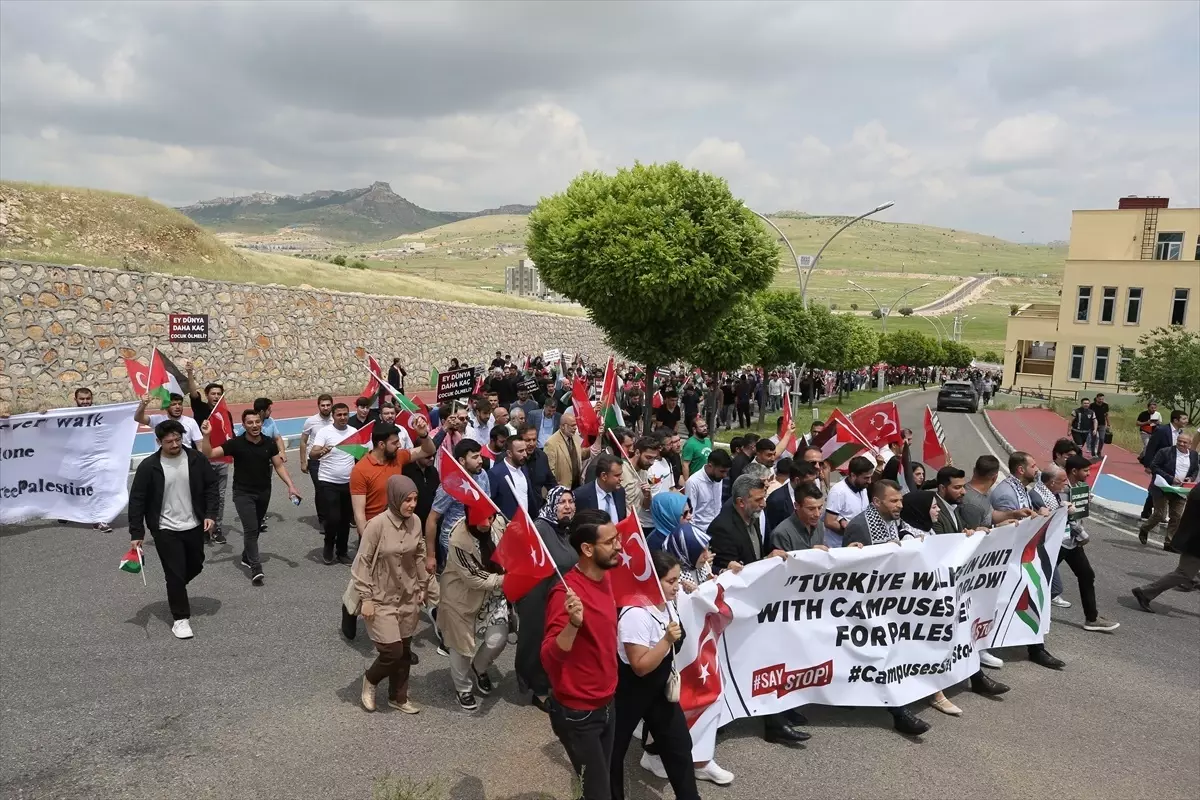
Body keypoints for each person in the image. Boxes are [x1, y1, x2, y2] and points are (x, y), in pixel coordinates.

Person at [708, 475, 809, 745]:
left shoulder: (753, 517)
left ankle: (779, 713)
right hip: (736, 612)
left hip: (757, 603)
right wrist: (765, 562)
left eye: (763, 498)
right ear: (741, 502)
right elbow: (731, 573)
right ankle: (769, 722)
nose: (764, 504)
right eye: (758, 500)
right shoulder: (723, 527)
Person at [541, 509, 622, 800]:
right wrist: (573, 624)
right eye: (610, 541)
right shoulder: (565, 595)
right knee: (598, 794)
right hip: (579, 714)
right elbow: (548, 658)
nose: (619, 546)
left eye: (618, 538)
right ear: (587, 549)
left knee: (601, 785)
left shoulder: (606, 577)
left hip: (607, 703)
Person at [611, 550, 705, 799]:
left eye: (677, 579)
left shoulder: (667, 604)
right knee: (613, 751)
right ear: (654, 581)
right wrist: (665, 641)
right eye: (671, 581)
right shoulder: (635, 614)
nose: (677, 587)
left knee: (679, 746)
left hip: (659, 691)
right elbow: (640, 666)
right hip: (631, 693)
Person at [127, 419, 219, 640]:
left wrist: (210, 514)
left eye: (178, 439)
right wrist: (136, 534)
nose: (175, 444)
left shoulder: (196, 459)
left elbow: (211, 486)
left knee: (196, 565)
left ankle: (176, 588)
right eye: (169, 441)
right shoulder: (149, 466)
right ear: (159, 442)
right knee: (175, 574)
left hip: (194, 524)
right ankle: (180, 618)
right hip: (165, 528)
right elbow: (137, 500)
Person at [353, 475, 430, 714]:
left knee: (405, 650)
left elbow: (418, 555)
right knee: (392, 651)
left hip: (407, 594)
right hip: (380, 597)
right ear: (396, 498)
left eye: (415, 499)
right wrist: (365, 598)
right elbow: (362, 562)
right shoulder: (377, 525)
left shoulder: (416, 522)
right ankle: (370, 680)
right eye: (407, 500)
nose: (412, 504)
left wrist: (424, 585)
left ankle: (398, 697)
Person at [199, 410, 301, 586]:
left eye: (257, 422)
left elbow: (279, 466)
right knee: (251, 528)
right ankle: (256, 567)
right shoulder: (236, 444)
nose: (254, 425)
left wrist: (291, 486)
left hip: (263, 492)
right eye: (250, 423)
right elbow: (209, 454)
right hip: (242, 493)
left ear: (261, 423)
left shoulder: (269, 443)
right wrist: (206, 436)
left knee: (255, 529)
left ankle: (246, 556)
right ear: (244, 425)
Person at [990, 451, 1066, 671]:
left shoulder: (1021, 488)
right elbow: (1005, 528)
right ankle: (1026, 643)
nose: (1038, 470)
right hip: (1013, 557)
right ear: (1021, 469)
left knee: (1041, 591)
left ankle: (1034, 645)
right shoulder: (1006, 493)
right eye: (1033, 465)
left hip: (1027, 554)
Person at [1030, 460, 1120, 633]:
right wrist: (1081, 533)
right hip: (1057, 543)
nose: (1088, 473)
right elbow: (1064, 518)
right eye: (1085, 470)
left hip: (1070, 542)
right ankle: (1032, 616)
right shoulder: (1052, 494)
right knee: (1044, 582)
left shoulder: (1069, 490)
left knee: (1086, 574)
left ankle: (1092, 618)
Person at [440, 507, 508, 711]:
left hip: (494, 594)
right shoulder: (458, 540)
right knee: (462, 647)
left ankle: (479, 667)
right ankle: (463, 688)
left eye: (490, 517)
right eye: (480, 518)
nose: (486, 523)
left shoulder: (498, 524)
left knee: (498, 639)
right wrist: (509, 579)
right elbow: (473, 578)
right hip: (461, 597)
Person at [516, 487, 579, 711]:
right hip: (539, 597)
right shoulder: (541, 529)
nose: (568, 506)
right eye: (561, 502)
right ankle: (539, 691)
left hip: (559, 598)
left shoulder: (564, 530)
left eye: (571, 501)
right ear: (551, 504)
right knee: (538, 641)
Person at [350, 420, 436, 534]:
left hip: (399, 528)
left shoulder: (398, 457)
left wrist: (423, 435)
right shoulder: (360, 470)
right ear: (381, 445)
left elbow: (428, 450)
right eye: (395, 443)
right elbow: (359, 514)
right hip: (375, 531)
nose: (399, 445)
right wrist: (367, 540)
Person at [426, 439, 492, 575]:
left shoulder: (483, 475)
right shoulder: (450, 484)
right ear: (462, 461)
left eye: (480, 455)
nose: (480, 460)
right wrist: (430, 556)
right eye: (474, 457)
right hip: (453, 543)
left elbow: (487, 505)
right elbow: (432, 519)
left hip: (477, 539)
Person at [186, 368, 234, 542]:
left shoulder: (225, 413)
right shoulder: (200, 409)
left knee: (220, 497)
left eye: (219, 394)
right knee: (201, 494)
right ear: (207, 395)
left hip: (221, 461)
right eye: (213, 393)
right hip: (202, 461)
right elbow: (192, 393)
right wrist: (190, 373)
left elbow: (231, 437)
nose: (216, 396)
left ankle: (216, 528)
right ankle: (202, 527)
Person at [1133, 488, 1200, 612]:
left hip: (1193, 539)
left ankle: (1193, 581)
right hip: (1195, 541)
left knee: (1186, 574)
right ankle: (1146, 592)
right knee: (1184, 573)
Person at [1140, 431, 1197, 550]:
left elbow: (1195, 470)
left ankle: (1169, 542)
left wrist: (1190, 478)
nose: (1181, 444)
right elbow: (1154, 466)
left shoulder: (1193, 455)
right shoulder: (1165, 452)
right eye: (1179, 441)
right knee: (1160, 514)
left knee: (1177, 516)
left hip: (1179, 490)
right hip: (1163, 487)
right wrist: (1170, 478)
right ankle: (1145, 528)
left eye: (1184, 442)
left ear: (1190, 444)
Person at [300, 394, 335, 530]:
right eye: (323, 405)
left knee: (331, 489)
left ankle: (334, 516)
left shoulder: (337, 419)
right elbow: (303, 442)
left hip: (331, 460)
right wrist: (303, 461)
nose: (325, 408)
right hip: (315, 460)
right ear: (319, 406)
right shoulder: (311, 421)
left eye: (328, 405)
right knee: (320, 489)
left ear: (332, 405)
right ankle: (323, 520)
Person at [824, 456, 874, 547]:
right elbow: (829, 521)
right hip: (840, 547)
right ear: (853, 475)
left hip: (860, 545)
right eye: (866, 478)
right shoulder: (838, 491)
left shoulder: (863, 488)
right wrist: (851, 533)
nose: (869, 481)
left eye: (870, 477)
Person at [489, 435, 539, 519]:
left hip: (526, 523)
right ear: (509, 453)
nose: (525, 454)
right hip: (506, 526)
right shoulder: (495, 473)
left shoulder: (524, 468)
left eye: (525, 450)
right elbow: (491, 503)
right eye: (520, 451)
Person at [683, 449, 731, 536]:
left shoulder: (718, 478)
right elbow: (690, 514)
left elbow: (717, 506)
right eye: (722, 471)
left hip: (717, 530)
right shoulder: (693, 482)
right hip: (700, 532)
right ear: (710, 466)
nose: (725, 476)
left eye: (726, 472)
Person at [770, 482, 829, 552]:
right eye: (811, 509)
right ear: (796, 506)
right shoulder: (781, 534)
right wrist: (810, 554)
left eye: (819, 508)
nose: (817, 514)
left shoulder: (819, 525)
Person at [765, 459, 818, 534]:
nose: (815, 484)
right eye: (810, 481)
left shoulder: (811, 493)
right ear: (797, 480)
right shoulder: (776, 500)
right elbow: (772, 530)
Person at [574, 453, 628, 523]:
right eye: (617, 475)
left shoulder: (620, 492)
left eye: (621, 474)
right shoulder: (581, 495)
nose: (621, 479)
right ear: (604, 476)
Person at [135, 393, 202, 448]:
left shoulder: (191, 422)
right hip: (162, 460)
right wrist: (143, 404)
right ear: (166, 407)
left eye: (180, 404)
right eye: (173, 404)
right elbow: (138, 418)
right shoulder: (157, 420)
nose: (178, 407)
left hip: (184, 460)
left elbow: (199, 444)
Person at [544, 411, 585, 489]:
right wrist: (557, 490)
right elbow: (549, 472)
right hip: (562, 490)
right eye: (572, 425)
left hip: (577, 487)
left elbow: (580, 455)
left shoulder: (575, 437)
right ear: (563, 426)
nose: (575, 428)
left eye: (575, 425)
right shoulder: (551, 443)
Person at [679, 416, 713, 482]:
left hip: (707, 479)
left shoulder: (708, 441)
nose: (705, 428)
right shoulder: (690, 444)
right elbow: (685, 465)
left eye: (705, 426)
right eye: (701, 427)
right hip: (696, 480)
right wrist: (687, 482)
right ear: (694, 429)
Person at [254, 398, 287, 463]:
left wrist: (282, 452)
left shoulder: (270, 421)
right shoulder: (249, 425)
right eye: (269, 409)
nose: (271, 411)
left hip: (268, 461)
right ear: (262, 412)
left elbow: (277, 438)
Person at [1091, 393, 1110, 459]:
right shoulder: (1092, 405)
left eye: (1102, 399)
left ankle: (1099, 451)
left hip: (1102, 424)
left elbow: (1106, 415)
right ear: (1096, 398)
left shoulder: (1105, 405)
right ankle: (1093, 452)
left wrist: (1108, 424)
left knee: (1102, 439)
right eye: (1100, 399)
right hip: (1093, 424)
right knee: (1094, 438)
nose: (1101, 400)